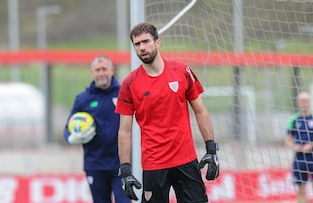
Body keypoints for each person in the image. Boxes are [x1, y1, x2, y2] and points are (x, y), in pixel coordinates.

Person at [115, 22, 219, 202]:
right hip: (154, 164)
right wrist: (125, 169)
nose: (142, 48)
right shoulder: (129, 83)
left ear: (157, 42)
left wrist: (211, 149)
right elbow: (124, 130)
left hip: (186, 159)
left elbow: (201, 111)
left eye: (146, 42)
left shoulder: (182, 71)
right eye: (137, 44)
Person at [63, 56, 130, 203]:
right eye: (97, 70)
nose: (101, 73)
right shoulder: (82, 99)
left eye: (104, 69)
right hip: (95, 164)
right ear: (92, 72)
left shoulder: (123, 93)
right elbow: (67, 129)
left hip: (121, 164)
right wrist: (72, 137)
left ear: (112, 70)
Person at [285, 91, 313, 203]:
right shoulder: (294, 119)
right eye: (301, 101)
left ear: (310, 102)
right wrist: (294, 146)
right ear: (298, 103)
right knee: (301, 189)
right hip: (299, 158)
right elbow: (288, 139)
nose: (304, 103)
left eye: (306, 100)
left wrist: (312, 145)